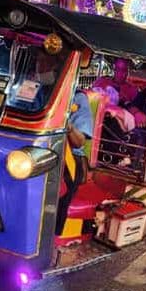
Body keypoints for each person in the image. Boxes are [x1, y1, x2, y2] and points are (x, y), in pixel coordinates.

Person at [55, 90, 93, 235]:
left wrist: (67, 124)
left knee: (56, 205)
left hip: (68, 157)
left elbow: (79, 141)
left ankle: (53, 240)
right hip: (35, 150)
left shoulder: (78, 97)